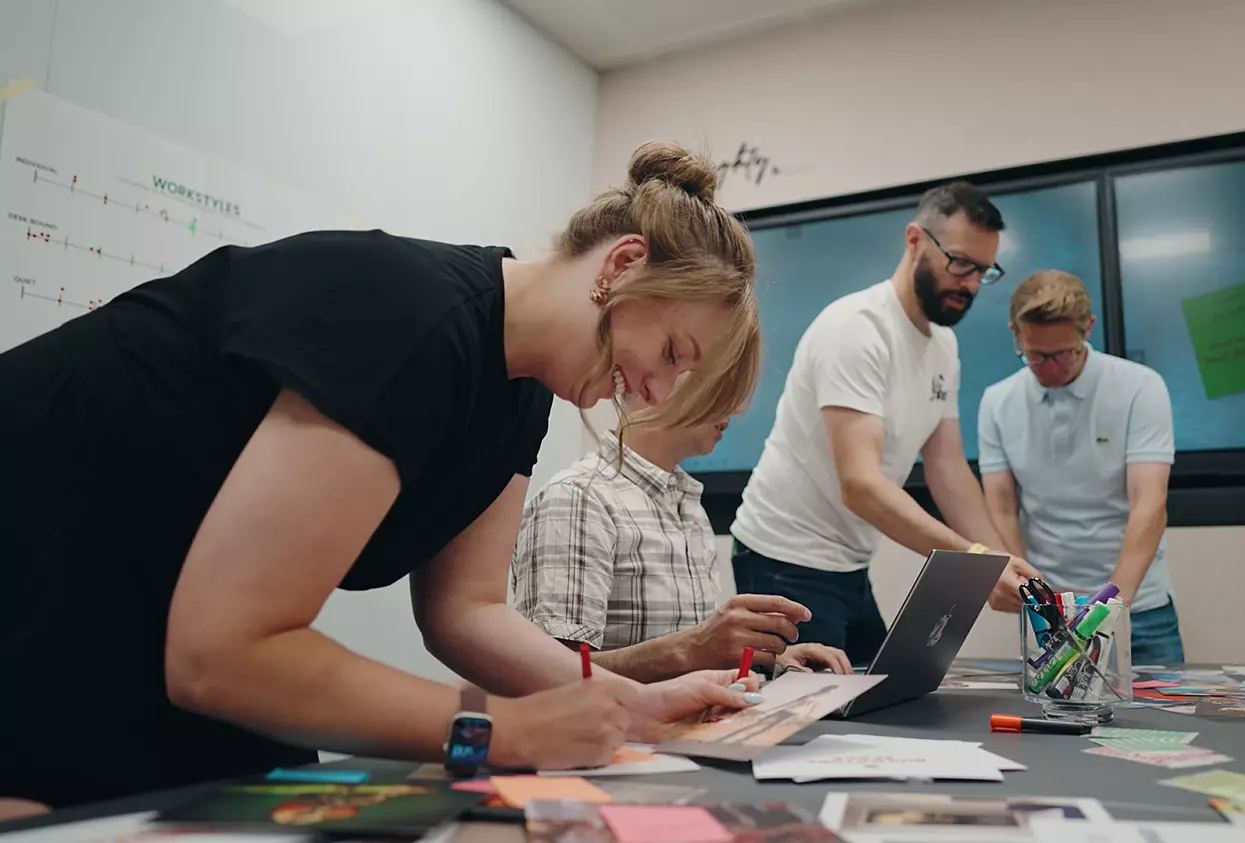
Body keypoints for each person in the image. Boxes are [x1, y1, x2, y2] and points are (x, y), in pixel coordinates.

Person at [0, 141, 765, 809]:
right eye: (671, 352)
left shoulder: (523, 392)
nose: (660, 394)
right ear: (623, 264)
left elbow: (466, 609)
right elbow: (225, 651)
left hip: (143, 602)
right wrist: (498, 728)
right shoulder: (411, 318)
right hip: (41, 564)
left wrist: (626, 704)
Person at [729, 181, 1038, 665]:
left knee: (889, 696)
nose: (972, 284)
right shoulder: (857, 329)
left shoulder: (943, 346)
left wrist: (1002, 563)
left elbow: (949, 469)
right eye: (960, 263)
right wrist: (976, 564)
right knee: (815, 722)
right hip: (783, 557)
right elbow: (861, 485)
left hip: (848, 561)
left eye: (984, 271)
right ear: (914, 240)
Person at [510, 394, 853, 681]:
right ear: (658, 377)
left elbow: (694, 656)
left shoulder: (686, 504)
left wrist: (770, 658)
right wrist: (690, 650)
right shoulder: (577, 499)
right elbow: (548, 677)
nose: (737, 410)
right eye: (723, 383)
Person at [976, 270, 1181, 665]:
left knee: (1158, 722)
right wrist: (1033, 597)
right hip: (1051, 612)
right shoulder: (997, 402)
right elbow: (1001, 509)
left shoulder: (1140, 387)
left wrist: (1108, 610)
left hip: (1138, 608)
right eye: (1035, 355)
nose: (1050, 368)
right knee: (1054, 723)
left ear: (1088, 328)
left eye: (1063, 353)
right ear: (1015, 334)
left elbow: (1149, 504)